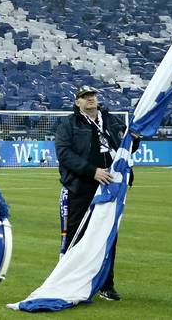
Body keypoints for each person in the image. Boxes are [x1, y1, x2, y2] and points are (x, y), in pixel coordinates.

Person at [54, 85, 128, 302]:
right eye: (84, 97)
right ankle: (68, 284)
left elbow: (127, 145)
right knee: (76, 237)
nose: (90, 99)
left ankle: (106, 284)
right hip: (80, 188)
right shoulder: (69, 124)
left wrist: (136, 136)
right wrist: (92, 171)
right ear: (77, 102)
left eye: (92, 96)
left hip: (109, 187)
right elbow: (64, 154)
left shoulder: (111, 120)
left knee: (108, 236)